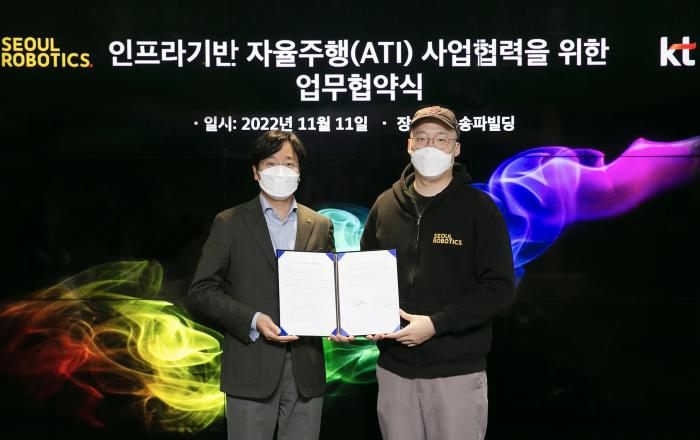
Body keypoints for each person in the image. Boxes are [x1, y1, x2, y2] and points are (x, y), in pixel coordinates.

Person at [360, 106, 515, 440]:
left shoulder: (479, 209)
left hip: (456, 372)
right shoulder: (384, 206)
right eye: (422, 138)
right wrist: (360, 319)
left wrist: (436, 324)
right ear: (409, 145)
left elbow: (499, 287)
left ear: (456, 149)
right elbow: (364, 277)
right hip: (394, 371)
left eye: (441, 139)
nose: (430, 147)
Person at [188, 130, 335, 440]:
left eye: (289, 163)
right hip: (250, 365)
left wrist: (341, 321)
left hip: (306, 368)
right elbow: (202, 291)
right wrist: (253, 319)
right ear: (256, 172)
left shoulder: (320, 225)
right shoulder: (229, 222)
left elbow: (330, 288)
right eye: (271, 163)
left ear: (299, 171)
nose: (281, 170)